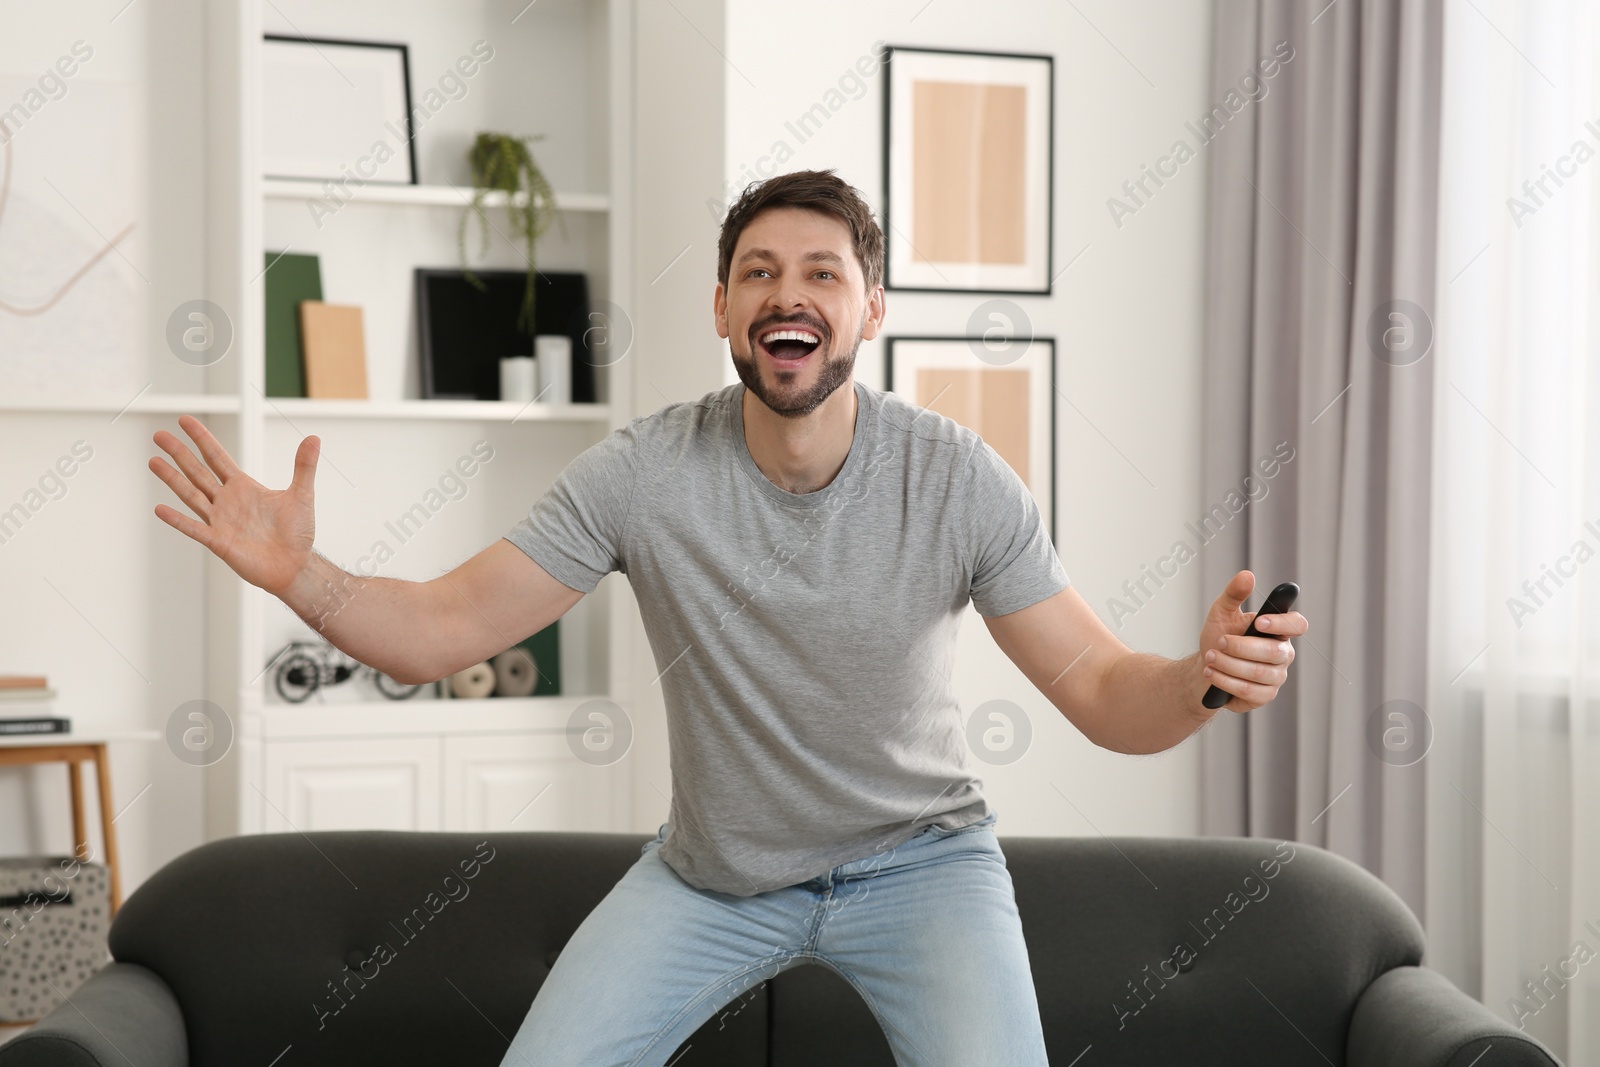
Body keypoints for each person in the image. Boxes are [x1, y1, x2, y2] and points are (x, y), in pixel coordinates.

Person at [149, 168, 1308, 1066]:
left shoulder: (956, 479)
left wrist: (1206, 676)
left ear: (869, 307)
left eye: (820, 271)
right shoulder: (643, 474)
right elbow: (448, 623)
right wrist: (304, 576)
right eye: (757, 271)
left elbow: (1105, 691)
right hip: (709, 878)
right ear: (722, 306)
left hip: (923, 866)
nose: (786, 292)